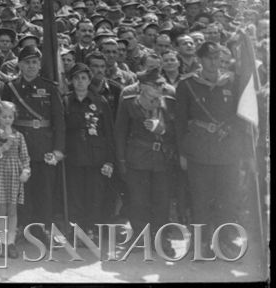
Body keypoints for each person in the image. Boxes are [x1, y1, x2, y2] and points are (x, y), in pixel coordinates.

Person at [173, 41, 249, 258]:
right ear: (200, 59)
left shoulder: (232, 82)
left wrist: (241, 149)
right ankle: (202, 241)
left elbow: (240, 116)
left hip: (228, 151)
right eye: (209, 58)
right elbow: (180, 122)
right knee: (200, 199)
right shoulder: (187, 85)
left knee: (228, 199)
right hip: (200, 152)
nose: (214, 62)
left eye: (217, 57)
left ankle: (224, 240)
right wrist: (183, 153)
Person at [0, 44, 64, 237]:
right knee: (21, 190)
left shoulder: (49, 88)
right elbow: (3, 118)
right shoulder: (11, 87)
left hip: (44, 145)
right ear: (19, 64)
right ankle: (21, 228)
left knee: (44, 189)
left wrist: (58, 150)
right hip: (19, 146)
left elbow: (59, 121)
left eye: (35, 62)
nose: (31, 66)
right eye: (27, 62)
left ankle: (42, 229)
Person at [115, 66, 177, 256]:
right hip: (137, 158)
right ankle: (140, 237)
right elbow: (120, 133)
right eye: (156, 84)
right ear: (142, 86)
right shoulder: (128, 103)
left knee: (161, 200)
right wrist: (121, 160)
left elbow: (179, 131)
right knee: (138, 200)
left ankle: (161, 238)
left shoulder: (168, 103)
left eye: (162, 83)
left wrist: (163, 130)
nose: (161, 87)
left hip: (162, 158)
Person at [63, 62, 115, 240]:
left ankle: (92, 229)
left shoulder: (100, 101)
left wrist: (109, 159)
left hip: (96, 156)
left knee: (95, 194)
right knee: (75, 194)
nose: (80, 82)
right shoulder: (65, 100)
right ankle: (76, 230)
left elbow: (109, 132)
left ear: (89, 80)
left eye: (83, 78)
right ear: (71, 81)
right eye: (76, 78)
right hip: (74, 154)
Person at [0, 101, 31, 259]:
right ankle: (2, 242)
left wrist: (25, 170)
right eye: (4, 116)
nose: (7, 120)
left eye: (10, 116)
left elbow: (24, 157)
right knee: (1, 209)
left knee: (12, 209)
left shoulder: (18, 135)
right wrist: (3, 148)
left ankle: (11, 242)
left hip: (14, 175)